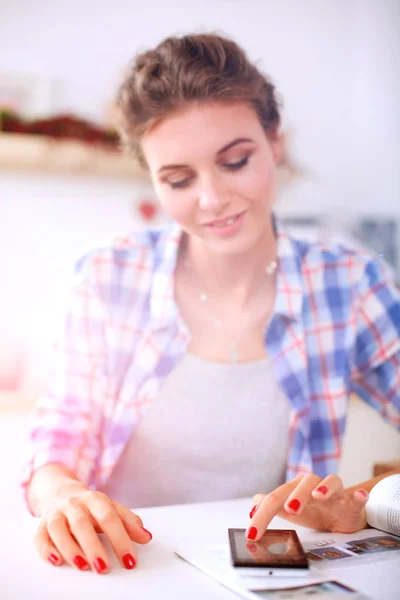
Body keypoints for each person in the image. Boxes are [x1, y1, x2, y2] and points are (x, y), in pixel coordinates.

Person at [20, 32, 400, 575]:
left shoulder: (348, 283)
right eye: (178, 179)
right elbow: (60, 437)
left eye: (236, 161)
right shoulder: (110, 276)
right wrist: (61, 496)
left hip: (265, 576)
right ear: (152, 178)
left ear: (275, 142)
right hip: (128, 569)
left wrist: (359, 503)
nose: (212, 199)